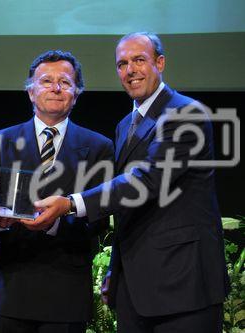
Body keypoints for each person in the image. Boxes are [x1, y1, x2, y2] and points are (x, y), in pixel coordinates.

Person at [28, 32, 229, 332]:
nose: (130, 70)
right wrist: (117, 270)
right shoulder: (126, 125)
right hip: (137, 289)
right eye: (122, 64)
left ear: (160, 63)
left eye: (139, 60)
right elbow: (128, 210)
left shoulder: (185, 113)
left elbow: (146, 181)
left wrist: (71, 203)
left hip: (185, 285)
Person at [0, 50, 113, 333]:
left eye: (65, 82)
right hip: (11, 288)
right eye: (46, 81)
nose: (56, 88)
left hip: (66, 291)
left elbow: (101, 218)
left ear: (76, 93)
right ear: (30, 91)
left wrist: (55, 221)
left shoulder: (99, 146)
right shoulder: (0, 141)